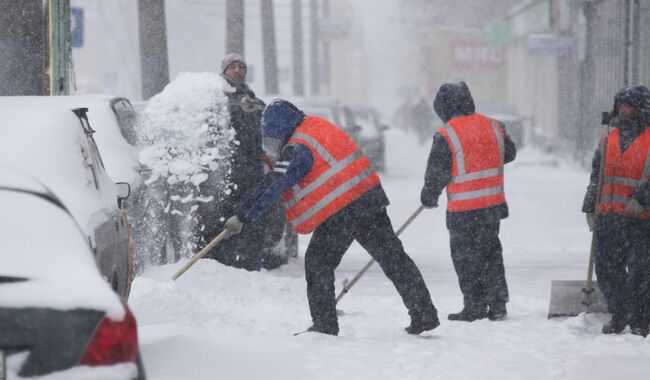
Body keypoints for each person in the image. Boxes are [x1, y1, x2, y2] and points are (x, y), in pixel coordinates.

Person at [222, 99, 440, 336]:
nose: (275, 143)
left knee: (318, 264)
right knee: (394, 259)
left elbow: (275, 182)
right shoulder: (317, 127)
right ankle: (424, 313)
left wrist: (244, 214)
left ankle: (324, 325)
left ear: (281, 127)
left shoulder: (298, 146)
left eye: (274, 136)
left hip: (341, 210)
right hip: (368, 200)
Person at [420, 81, 516, 322]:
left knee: (466, 257)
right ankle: (497, 303)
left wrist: (429, 195)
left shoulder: (447, 133)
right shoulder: (494, 126)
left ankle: (474, 306)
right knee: (491, 253)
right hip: (492, 205)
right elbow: (510, 153)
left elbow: (437, 171)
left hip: (464, 209)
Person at [582, 84, 650, 337]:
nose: (623, 110)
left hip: (641, 219)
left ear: (641, 108)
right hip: (610, 216)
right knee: (608, 268)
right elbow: (596, 177)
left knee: (641, 271)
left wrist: (643, 198)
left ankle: (641, 318)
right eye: (620, 105)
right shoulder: (607, 140)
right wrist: (590, 206)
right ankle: (619, 313)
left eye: (629, 105)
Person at [202, 53, 267, 271]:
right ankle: (224, 263)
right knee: (226, 219)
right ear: (224, 71)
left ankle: (250, 264)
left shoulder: (251, 99)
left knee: (252, 220)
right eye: (232, 67)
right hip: (229, 171)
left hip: (252, 170)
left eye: (241, 67)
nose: (237, 70)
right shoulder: (218, 98)